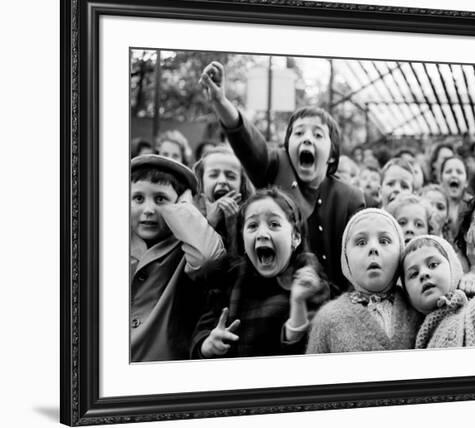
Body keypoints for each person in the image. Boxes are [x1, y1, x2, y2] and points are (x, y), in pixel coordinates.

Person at [199, 61, 365, 297]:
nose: (307, 138)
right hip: (276, 301)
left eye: (317, 134)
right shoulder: (276, 166)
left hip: (333, 304)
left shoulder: (349, 198)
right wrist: (221, 102)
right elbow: (249, 142)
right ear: (287, 147)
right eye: (298, 133)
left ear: (332, 155)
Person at [190, 188, 329, 358]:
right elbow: (201, 334)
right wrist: (207, 345)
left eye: (274, 224)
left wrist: (298, 303)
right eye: (253, 225)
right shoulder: (229, 277)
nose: (262, 234)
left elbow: (312, 352)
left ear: (295, 238)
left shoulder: (309, 280)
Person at [130, 154, 225, 362]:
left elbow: (207, 257)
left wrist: (185, 208)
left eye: (160, 199)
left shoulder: (185, 246)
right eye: (138, 198)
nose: (148, 210)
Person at [306, 209, 422, 354]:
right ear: (346, 258)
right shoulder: (327, 318)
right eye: (361, 242)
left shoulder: (418, 304)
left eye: (384, 241)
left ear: (400, 252)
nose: (373, 248)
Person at [401, 235, 475, 348]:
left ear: (454, 269)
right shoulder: (410, 340)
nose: (423, 274)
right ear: (407, 294)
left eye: (433, 265)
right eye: (414, 274)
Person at [193, 146, 254, 255]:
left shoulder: (251, 217)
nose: (222, 180)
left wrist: (232, 226)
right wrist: (210, 223)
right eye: (213, 175)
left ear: (242, 184)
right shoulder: (190, 214)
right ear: (201, 181)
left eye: (231, 176)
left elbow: (237, 267)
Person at [440, 156, 470, 241]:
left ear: (466, 181)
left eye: (459, 172)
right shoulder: (432, 205)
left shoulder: (473, 207)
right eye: (448, 171)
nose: (453, 175)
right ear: (441, 179)